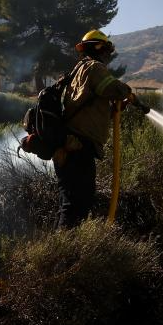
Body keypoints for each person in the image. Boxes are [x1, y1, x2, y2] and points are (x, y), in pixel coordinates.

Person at [54, 29, 136, 228]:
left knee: (69, 201)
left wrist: (114, 110)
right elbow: (113, 88)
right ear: (99, 48)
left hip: (68, 145)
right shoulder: (95, 67)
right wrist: (128, 92)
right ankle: (67, 244)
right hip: (79, 147)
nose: (108, 55)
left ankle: (59, 242)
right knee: (78, 203)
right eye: (107, 50)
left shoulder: (77, 71)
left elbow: (87, 111)